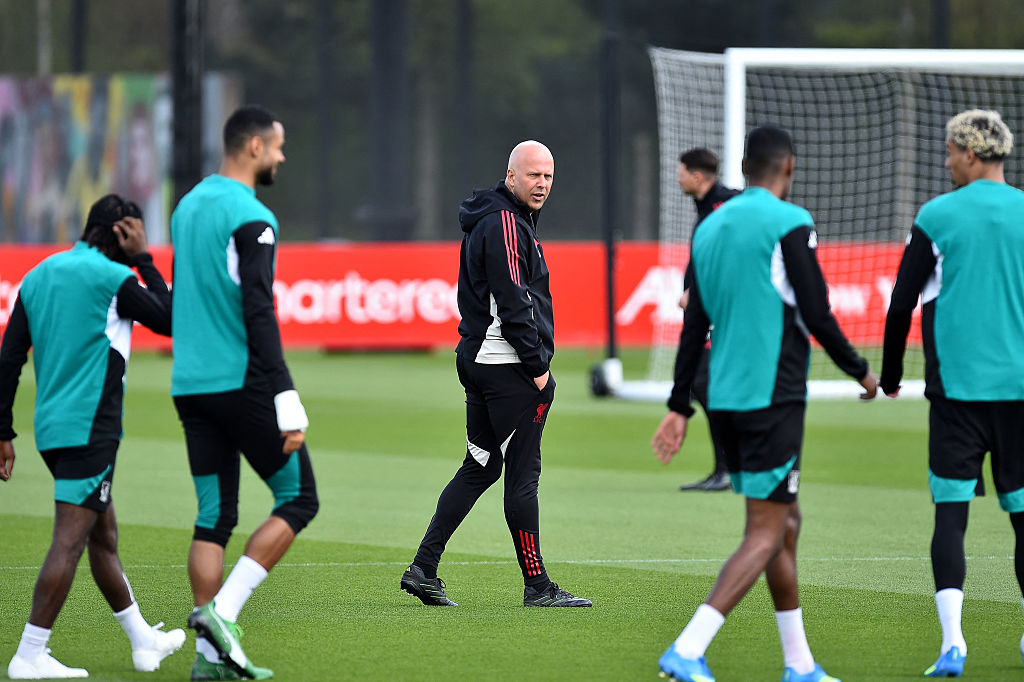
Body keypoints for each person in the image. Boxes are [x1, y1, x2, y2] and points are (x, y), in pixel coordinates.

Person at [651, 126, 878, 682]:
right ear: (789, 167)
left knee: (785, 523)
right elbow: (817, 312)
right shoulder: (790, 223)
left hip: (725, 397)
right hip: (772, 396)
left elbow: (693, 325)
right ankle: (688, 648)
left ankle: (799, 664)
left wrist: (679, 404)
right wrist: (861, 371)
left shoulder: (710, 227)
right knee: (766, 530)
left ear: (744, 168)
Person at [399, 140, 591, 609]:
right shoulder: (504, 221)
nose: (542, 184)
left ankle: (423, 568)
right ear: (511, 177)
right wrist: (538, 368)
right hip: (507, 365)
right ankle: (538, 585)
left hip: (480, 358)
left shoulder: (500, 218)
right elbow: (512, 299)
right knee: (523, 477)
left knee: (481, 465)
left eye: (548, 176)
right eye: (533, 175)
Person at [0, 195, 183, 679]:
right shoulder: (114, 278)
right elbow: (172, 320)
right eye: (134, 234)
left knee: (103, 536)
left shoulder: (39, 275)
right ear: (122, 233)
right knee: (70, 540)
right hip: (91, 428)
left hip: (52, 430)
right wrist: (145, 259)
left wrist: (2, 430)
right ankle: (30, 653)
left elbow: (9, 357)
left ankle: (143, 641)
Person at [170, 105, 319, 681]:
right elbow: (259, 309)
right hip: (241, 382)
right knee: (299, 499)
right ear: (254, 146)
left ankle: (210, 661)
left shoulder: (186, 207)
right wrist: (285, 395)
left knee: (213, 516)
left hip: (190, 385)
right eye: (278, 146)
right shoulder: (253, 216)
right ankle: (223, 615)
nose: (282, 156)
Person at [881, 109, 1023, 679]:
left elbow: (901, 303)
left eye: (949, 152)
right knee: (1023, 516)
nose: (946, 163)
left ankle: (952, 643)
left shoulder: (937, 215)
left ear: (970, 153)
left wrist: (891, 375)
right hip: (1020, 391)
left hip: (956, 392)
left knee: (951, 516)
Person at [676, 147, 741, 493]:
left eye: (682, 173)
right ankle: (726, 467)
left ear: (697, 176)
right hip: (707, 311)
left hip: (723, 312)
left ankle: (730, 467)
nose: (678, 179)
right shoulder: (706, 206)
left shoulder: (727, 204)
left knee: (705, 383)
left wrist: (702, 291)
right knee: (701, 384)